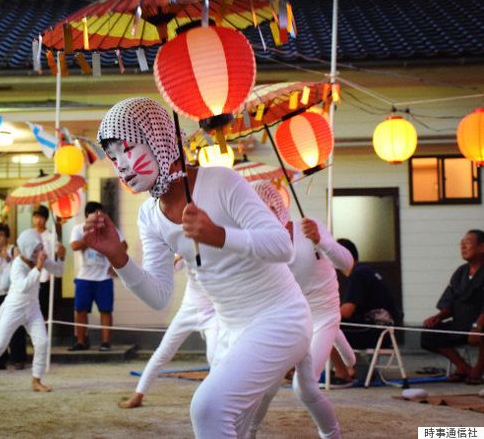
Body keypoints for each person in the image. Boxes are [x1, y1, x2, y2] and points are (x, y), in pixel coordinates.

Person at [83, 97, 340, 439]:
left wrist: (219, 235)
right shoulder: (149, 215)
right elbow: (159, 296)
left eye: (128, 148)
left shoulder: (221, 182)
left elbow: (282, 246)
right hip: (231, 330)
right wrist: (118, 256)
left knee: (208, 407)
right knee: (237, 426)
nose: (121, 165)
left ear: (160, 138)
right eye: (113, 157)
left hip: (282, 318)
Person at [253, 182, 356, 384]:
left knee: (304, 383)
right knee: (272, 376)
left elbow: (347, 263)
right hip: (297, 317)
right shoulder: (264, 246)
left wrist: (320, 240)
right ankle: (347, 353)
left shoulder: (308, 227)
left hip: (325, 313)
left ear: (276, 208)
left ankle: (345, 353)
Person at [0, 228, 63, 395]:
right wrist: (38, 268)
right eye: (36, 249)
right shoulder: (17, 265)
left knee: (42, 342)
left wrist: (61, 257)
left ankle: (36, 380)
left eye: (41, 247)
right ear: (28, 250)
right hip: (14, 308)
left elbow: (58, 271)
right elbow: (23, 286)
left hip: (33, 308)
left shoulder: (40, 258)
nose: (40, 251)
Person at [119, 258, 218, 409]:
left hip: (213, 314)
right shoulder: (188, 246)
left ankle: (216, 401)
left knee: (215, 359)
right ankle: (138, 395)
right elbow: (172, 267)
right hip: (188, 310)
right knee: (163, 352)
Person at [421, 229, 484, 384]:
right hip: (460, 324)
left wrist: (477, 327)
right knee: (429, 334)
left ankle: (478, 370)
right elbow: (449, 303)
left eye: (468, 243)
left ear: (482, 247)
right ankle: (463, 367)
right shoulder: (460, 272)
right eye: (461, 244)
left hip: (479, 324)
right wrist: (438, 317)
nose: (463, 247)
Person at [332, 238, 399, 382]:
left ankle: (343, 373)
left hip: (377, 331)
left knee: (326, 330)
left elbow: (347, 311)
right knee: (329, 327)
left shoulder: (358, 274)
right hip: (384, 330)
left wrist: (321, 313)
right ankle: (351, 369)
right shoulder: (363, 271)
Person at [70, 201, 126, 351]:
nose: (100, 217)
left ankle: (106, 342)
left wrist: (116, 266)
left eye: (102, 214)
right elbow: (74, 246)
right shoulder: (78, 229)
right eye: (97, 213)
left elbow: (123, 246)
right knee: (80, 309)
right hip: (84, 277)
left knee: (105, 309)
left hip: (104, 277)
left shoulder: (109, 230)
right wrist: (90, 237)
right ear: (88, 215)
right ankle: (81, 341)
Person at [0, 222, 27, 370]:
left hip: (14, 293)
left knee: (16, 326)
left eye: (1, 235)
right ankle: (0, 359)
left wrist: (6, 256)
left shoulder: (14, 249)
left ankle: (18, 358)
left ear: (7, 237)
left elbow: (20, 266)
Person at [32, 205, 65, 320]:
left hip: (45, 277)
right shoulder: (30, 235)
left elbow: (56, 253)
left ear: (46, 219)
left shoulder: (51, 236)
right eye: (36, 217)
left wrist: (59, 252)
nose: (38, 220)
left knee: (43, 308)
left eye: (41, 217)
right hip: (32, 276)